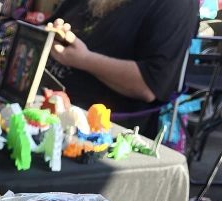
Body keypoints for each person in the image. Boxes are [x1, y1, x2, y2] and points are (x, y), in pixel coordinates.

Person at [46, 0, 199, 136]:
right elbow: (50, 26)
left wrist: (84, 60)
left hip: (100, 132)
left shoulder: (177, 4)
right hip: (48, 105)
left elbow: (149, 85)